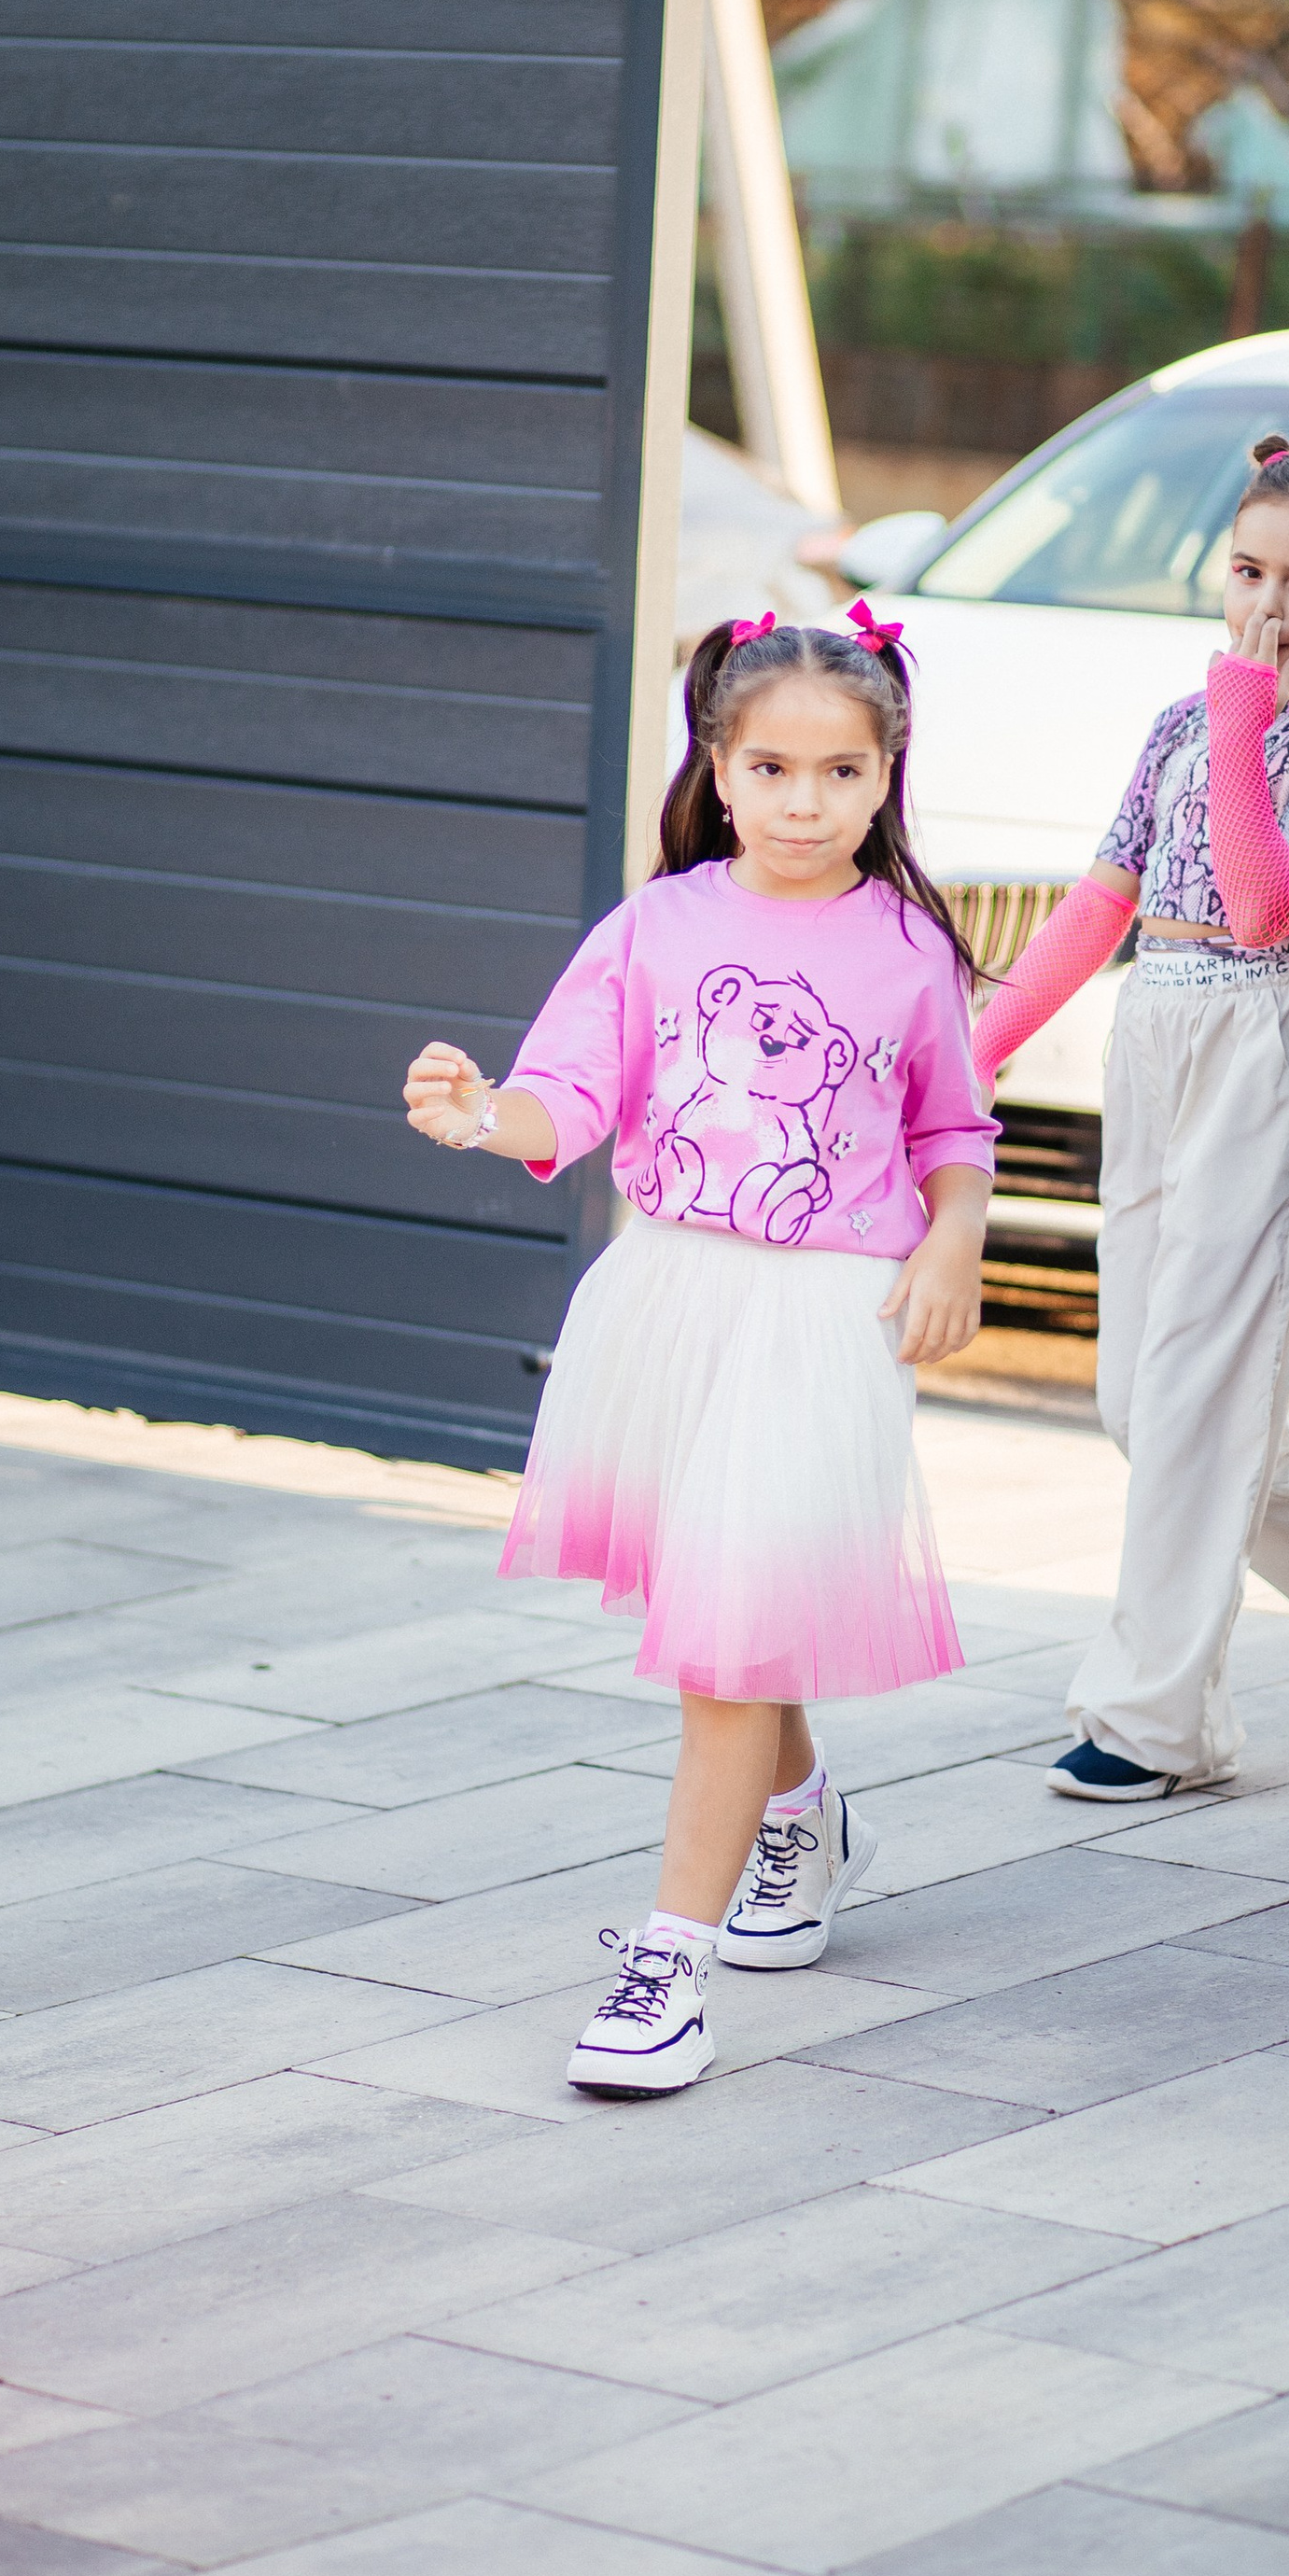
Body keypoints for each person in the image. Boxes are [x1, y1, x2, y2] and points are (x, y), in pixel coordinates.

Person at [402, 605, 995, 2094]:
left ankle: (668, 1965)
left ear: (887, 772)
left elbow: (952, 1128)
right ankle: (801, 1820)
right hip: (669, 1297)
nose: (809, 803)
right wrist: (484, 1113)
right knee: (722, 1614)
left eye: (843, 773)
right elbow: (564, 1095)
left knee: (730, 1642)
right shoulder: (658, 928)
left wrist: (953, 1240)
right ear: (719, 769)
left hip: (821, 1316)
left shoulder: (910, 944)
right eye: (776, 768)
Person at [970, 434, 1289, 1801]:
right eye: (1248, 571)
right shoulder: (1181, 723)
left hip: (1270, 1044)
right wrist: (978, 1053)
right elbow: (1103, 900)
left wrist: (1245, 717)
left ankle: (1152, 1723)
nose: (1269, 607)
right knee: (1142, 1397)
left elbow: (1259, 909)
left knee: (1200, 1398)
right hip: (1156, 1034)